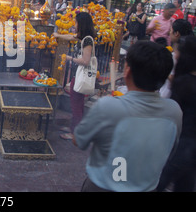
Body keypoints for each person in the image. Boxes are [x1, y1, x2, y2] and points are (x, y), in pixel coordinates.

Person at [74, 41, 182, 192]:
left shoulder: (108, 106)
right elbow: (170, 150)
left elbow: (79, 140)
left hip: (104, 187)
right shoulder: (174, 112)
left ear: (127, 71)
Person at [157, 36, 196, 192]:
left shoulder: (184, 83)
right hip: (192, 146)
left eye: (178, 50)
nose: (175, 53)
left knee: (159, 182)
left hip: (182, 142)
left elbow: (172, 114)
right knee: (185, 184)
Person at [53, 12, 96, 140]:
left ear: (81, 24)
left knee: (76, 104)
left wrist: (69, 58)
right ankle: (74, 127)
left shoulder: (87, 40)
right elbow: (71, 37)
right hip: (78, 75)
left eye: (76, 22)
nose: (74, 24)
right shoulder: (83, 37)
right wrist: (58, 35)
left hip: (81, 76)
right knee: (76, 102)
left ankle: (75, 133)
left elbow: (85, 61)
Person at [159, 19, 194, 98]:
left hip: (170, 96)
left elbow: (174, 78)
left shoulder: (176, 56)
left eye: (171, 30)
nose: (169, 33)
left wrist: (164, 69)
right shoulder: (191, 53)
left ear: (176, 33)